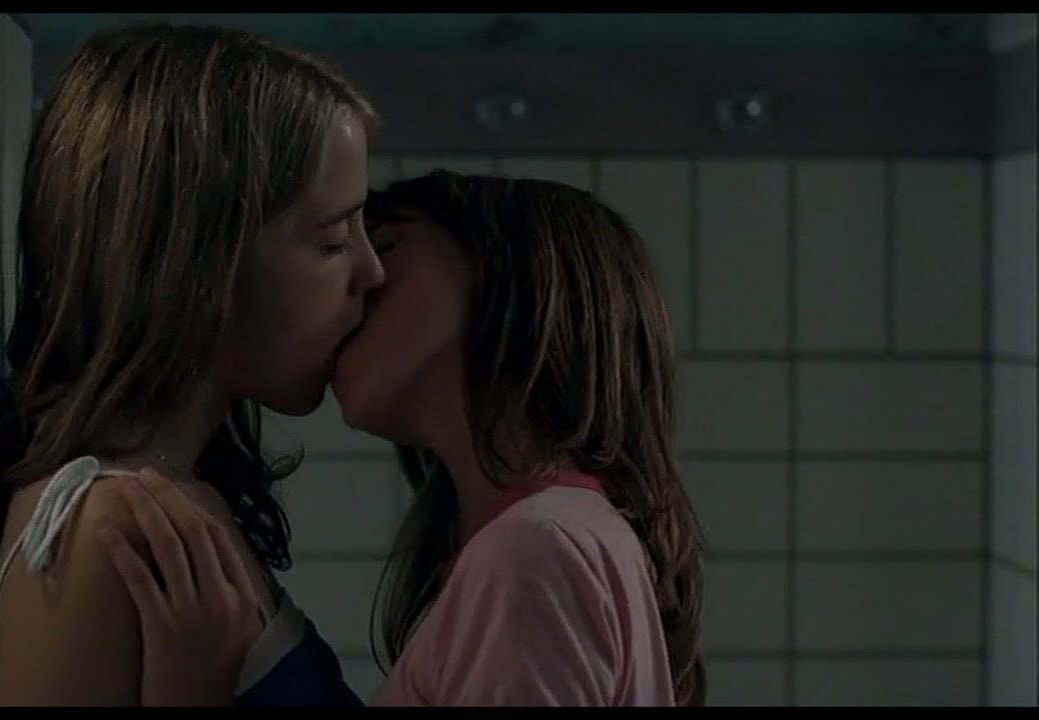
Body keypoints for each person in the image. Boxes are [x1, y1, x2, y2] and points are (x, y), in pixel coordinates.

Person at [100, 170, 709, 706]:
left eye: (386, 249)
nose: (360, 284)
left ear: (505, 275)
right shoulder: (564, 534)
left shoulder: (535, 548)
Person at [0, 23, 386, 706]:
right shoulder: (98, 531)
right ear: (195, 263)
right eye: (332, 241)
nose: (371, 272)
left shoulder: (169, 499)